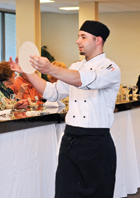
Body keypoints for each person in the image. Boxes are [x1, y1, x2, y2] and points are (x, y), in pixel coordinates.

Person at [10, 20, 121, 197]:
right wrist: (27, 72)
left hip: (96, 143)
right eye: (78, 36)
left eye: (83, 37)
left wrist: (51, 68)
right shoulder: (75, 66)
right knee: (65, 193)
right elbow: (52, 92)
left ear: (98, 40)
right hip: (70, 141)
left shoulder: (110, 68)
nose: (77, 41)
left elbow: (83, 80)